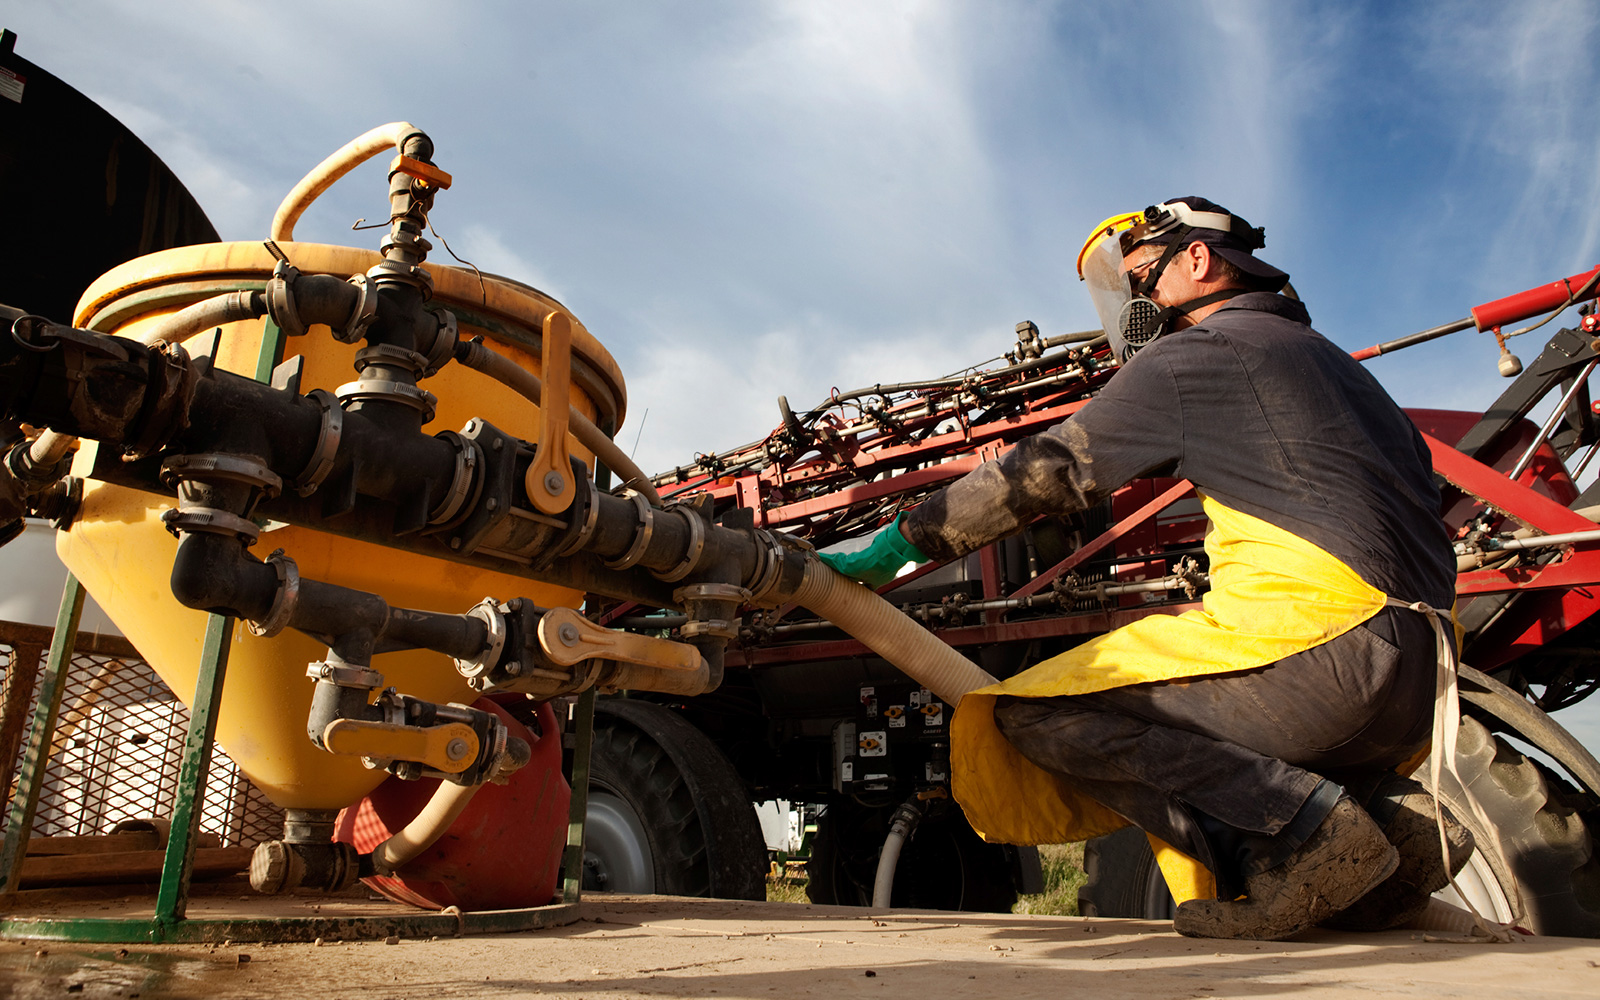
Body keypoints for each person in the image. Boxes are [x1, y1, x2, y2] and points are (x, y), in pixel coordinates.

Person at [821, 197, 1469, 940]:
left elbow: (1053, 468)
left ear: (1198, 261)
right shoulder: (1341, 371)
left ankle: (1302, 838)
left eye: (1144, 280)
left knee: (1031, 711)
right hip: (1424, 682)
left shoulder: (1202, 354)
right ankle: (1388, 828)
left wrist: (900, 541)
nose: (1138, 307)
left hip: (1328, 657)